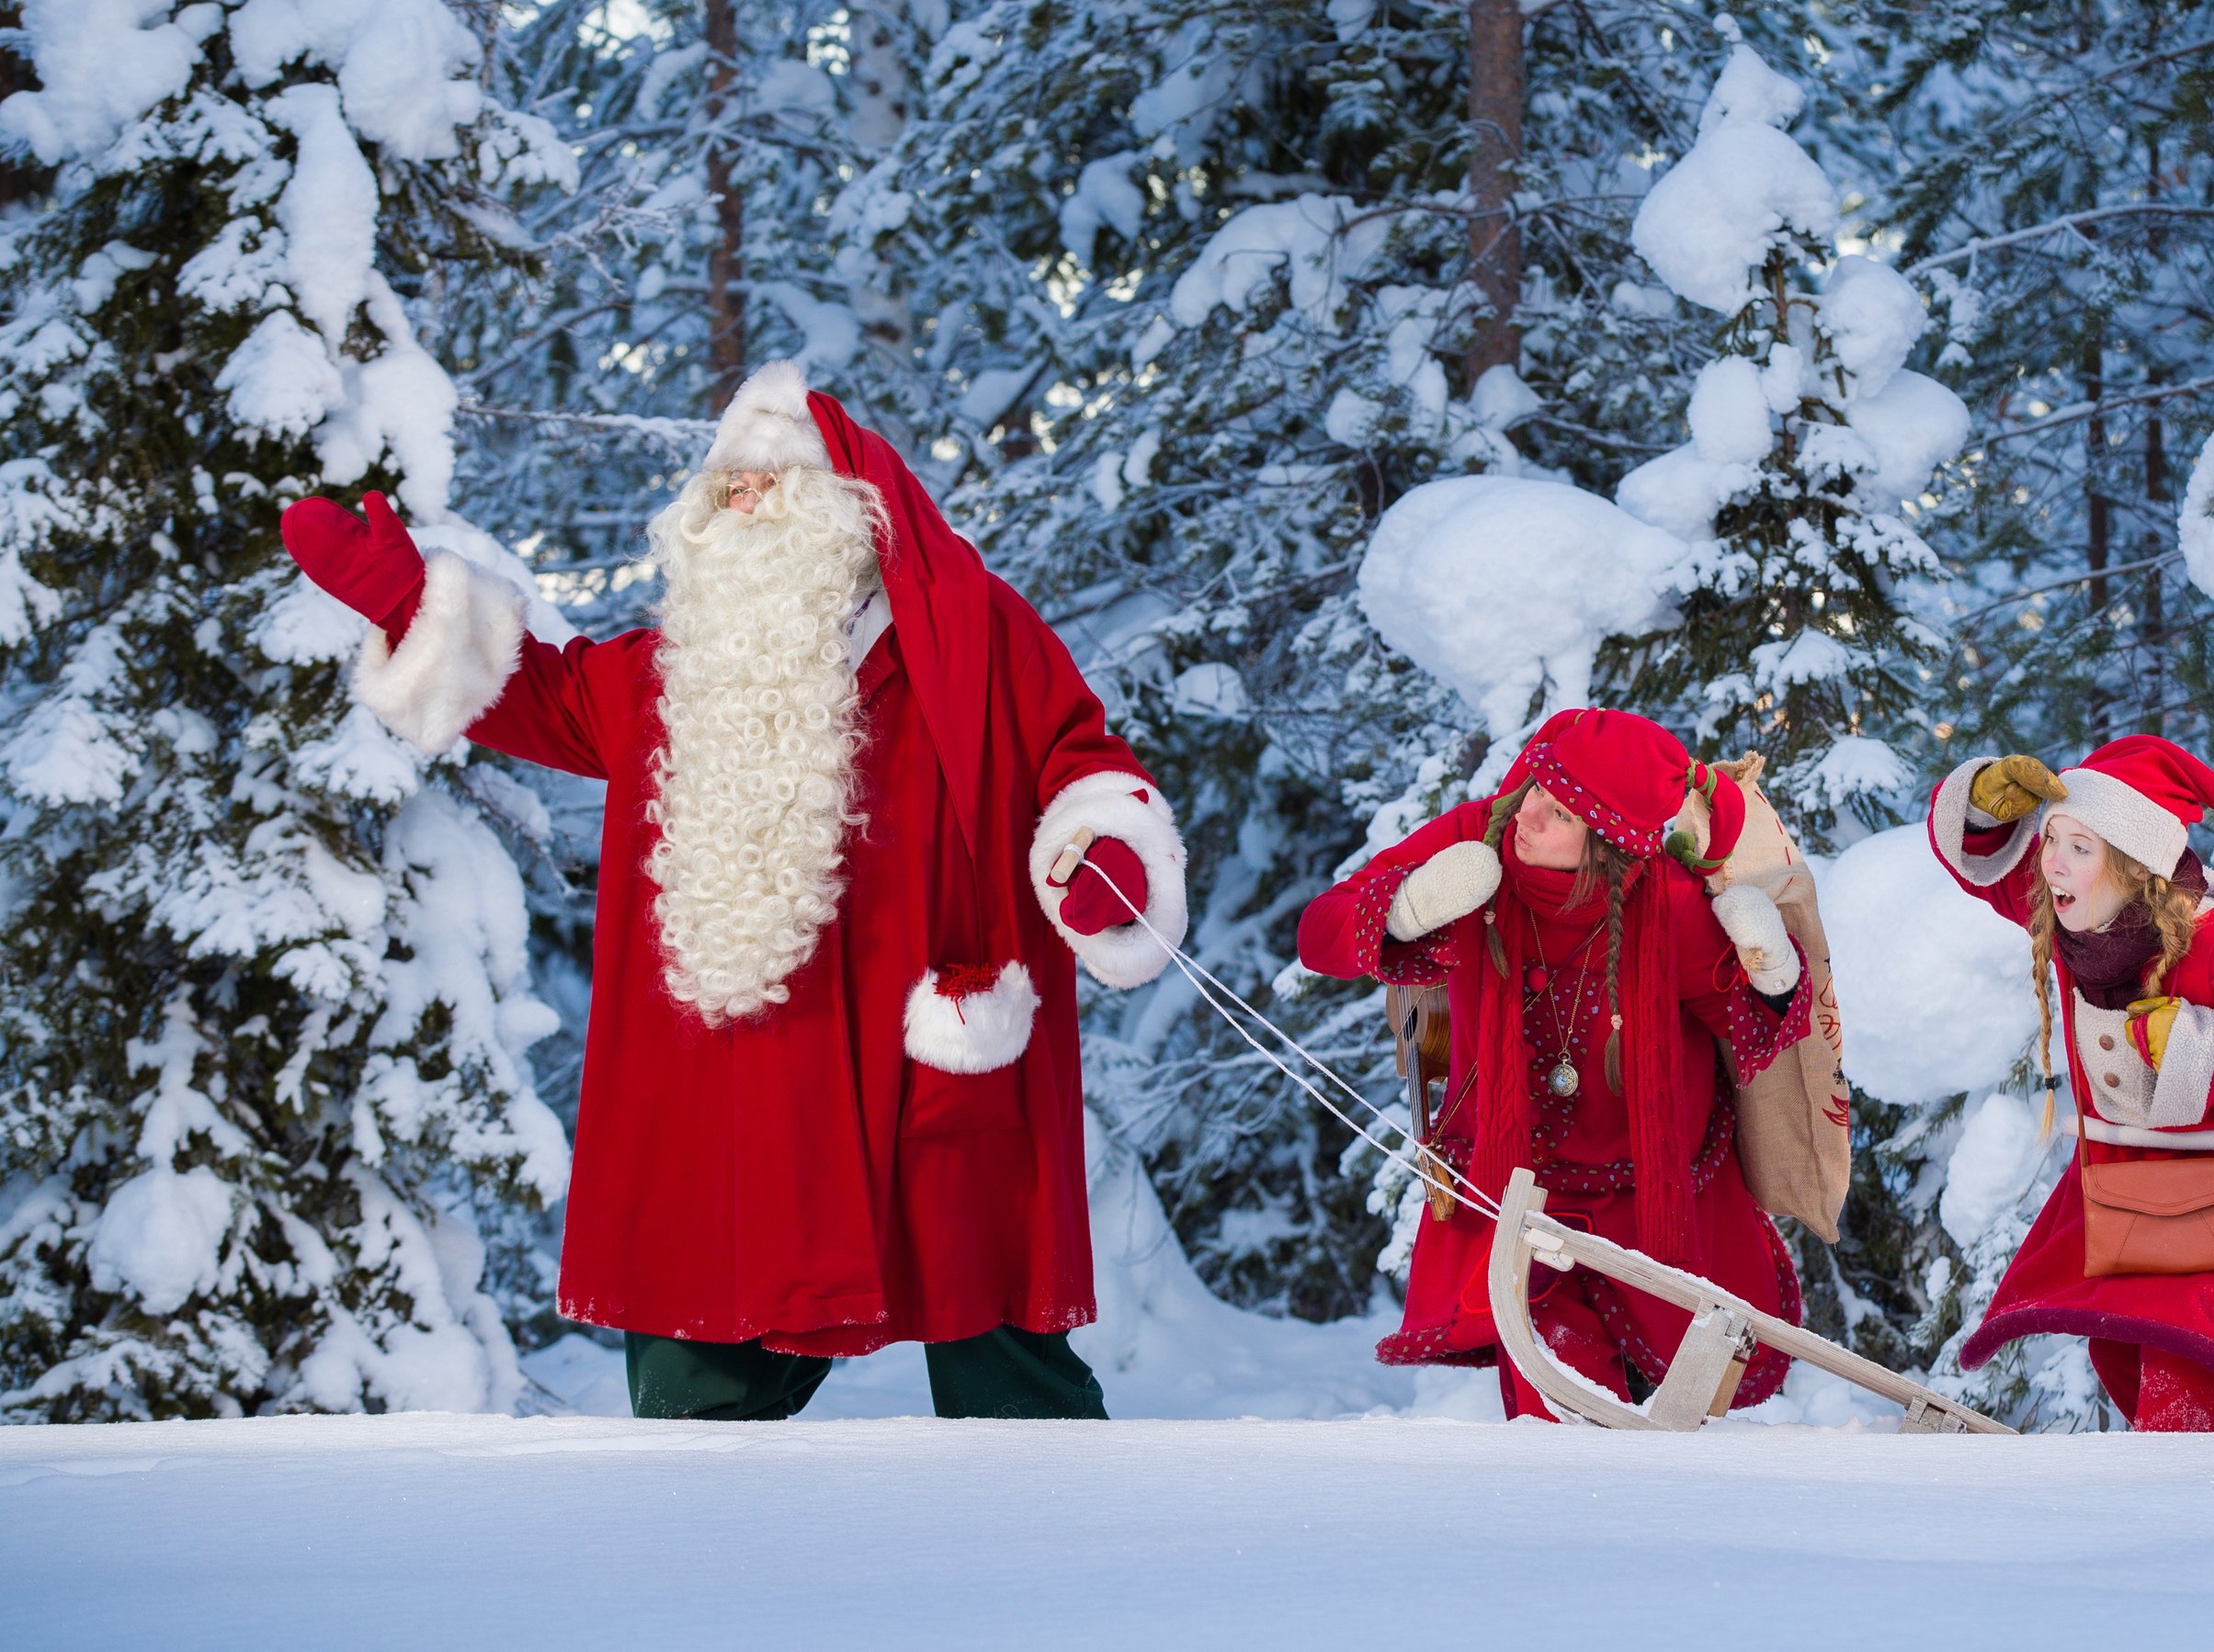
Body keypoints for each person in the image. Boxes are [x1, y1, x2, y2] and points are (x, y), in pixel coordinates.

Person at [280, 361, 1187, 1421]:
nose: (739, 506)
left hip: (914, 1015)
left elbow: (1075, 757)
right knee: (703, 1329)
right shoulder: (681, 663)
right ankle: (689, 1526)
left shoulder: (970, 633)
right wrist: (411, 604)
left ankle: (1059, 1520)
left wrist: (1105, 853)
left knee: (981, 1295)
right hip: (744, 1052)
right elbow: (551, 698)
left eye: (765, 486)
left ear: (845, 509)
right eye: (726, 490)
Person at [1298, 708, 1811, 1419]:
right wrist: (1408, 909)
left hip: (1652, 1195)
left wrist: (1773, 967)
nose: (1528, 815)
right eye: (1536, 785)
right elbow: (1319, 932)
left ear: (1607, 844)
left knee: (1684, 1401)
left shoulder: (1666, 901)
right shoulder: (1477, 839)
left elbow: (1746, 1021)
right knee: (1553, 1400)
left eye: (1559, 811)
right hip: (1512, 1184)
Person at [1925, 736, 2214, 1431]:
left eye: (2080, 847)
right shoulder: (2076, 929)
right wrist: (1986, 810)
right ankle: (2192, 1515)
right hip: (2148, 1198)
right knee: (2125, 1357)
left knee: (2193, 1390)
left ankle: (2199, 1524)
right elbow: (1981, 868)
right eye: (2051, 838)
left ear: (2137, 867)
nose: (2051, 862)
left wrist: (2205, 1048)